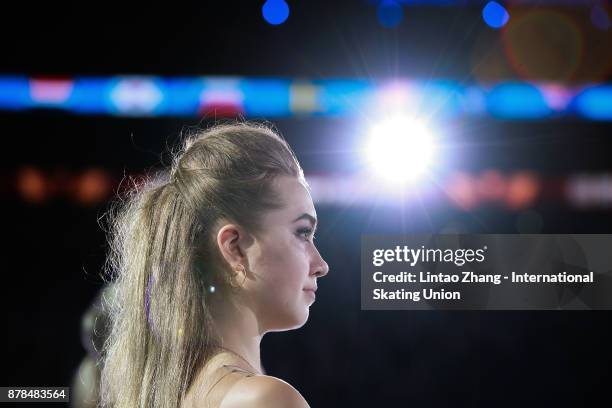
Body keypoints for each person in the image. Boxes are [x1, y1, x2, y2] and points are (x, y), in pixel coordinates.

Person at [99, 122, 330, 408]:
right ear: (235, 247)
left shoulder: (173, 392)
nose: (321, 265)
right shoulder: (266, 399)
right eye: (302, 233)